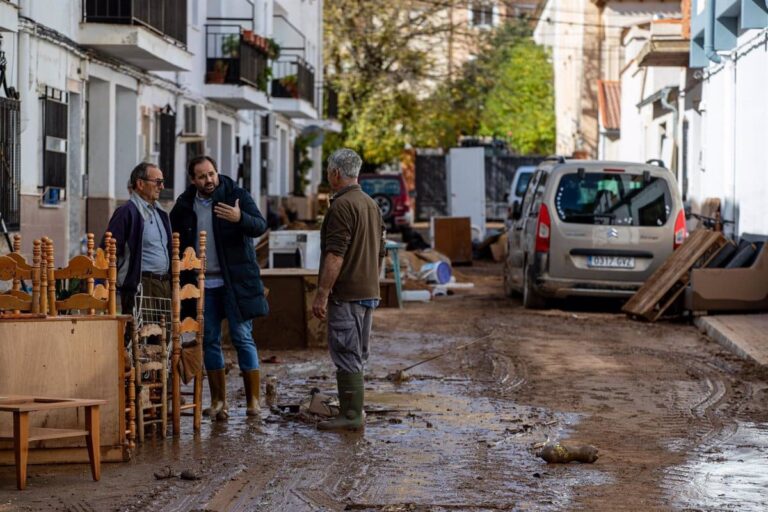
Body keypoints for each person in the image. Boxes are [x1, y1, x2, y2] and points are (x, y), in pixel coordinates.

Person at [170, 156, 269, 420]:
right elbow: (175, 242)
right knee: (210, 340)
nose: (209, 180)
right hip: (203, 284)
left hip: (234, 282)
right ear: (193, 179)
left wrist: (240, 217)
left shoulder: (235, 194)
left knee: (242, 337)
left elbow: (260, 225)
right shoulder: (184, 205)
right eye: (202, 176)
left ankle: (253, 402)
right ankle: (218, 402)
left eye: (212, 174)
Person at [312, 148, 385, 432]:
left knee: (346, 353)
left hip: (347, 295)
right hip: (368, 292)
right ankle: (354, 411)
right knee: (358, 354)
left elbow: (335, 255)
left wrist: (322, 293)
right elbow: (380, 251)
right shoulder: (370, 204)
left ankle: (352, 416)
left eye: (329, 171)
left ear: (335, 173)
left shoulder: (341, 206)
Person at [104, 162, 172, 318]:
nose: (161, 187)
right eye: (158, 182)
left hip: (164, 284)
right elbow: (109, 250)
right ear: (140, 184)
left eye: (162, 182)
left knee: (164, 338)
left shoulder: (160, 212)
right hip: (141, 284)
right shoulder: (126, 212)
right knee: (140, 339)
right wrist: (124, 282)